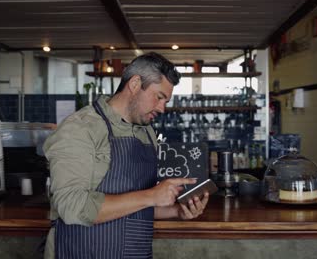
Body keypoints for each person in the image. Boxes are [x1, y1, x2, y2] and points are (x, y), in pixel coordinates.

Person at [43, 52, 209, 259]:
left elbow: (136, 207)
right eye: (159, 97)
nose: (162, 108)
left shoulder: (145, 131)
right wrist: (152, 195)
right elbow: (71, 206)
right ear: (135, 83)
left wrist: (177, 212)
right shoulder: (81, 128)